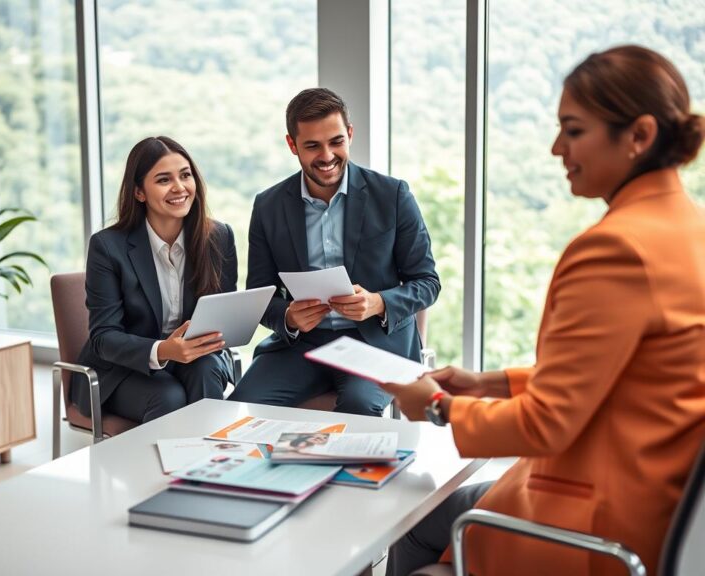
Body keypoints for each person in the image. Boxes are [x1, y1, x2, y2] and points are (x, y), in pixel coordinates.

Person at [380, 45, 705, 576]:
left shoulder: (616, 248)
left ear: (639, 136)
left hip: (596, 527)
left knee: (410, 521)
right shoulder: (691, 229)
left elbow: (547, 424)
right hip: (656, 507)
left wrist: (438, 407)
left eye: (573, 131)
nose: (557, 148)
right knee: (429, 516)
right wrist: (487, 384)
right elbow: (619, 374)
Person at [229, 88, 440, 416]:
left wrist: (378, 302)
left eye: (336, 141)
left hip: (374, 344)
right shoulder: (268, 206)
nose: (327, 156)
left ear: (350, 134)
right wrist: (288, 316)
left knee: (359, 406)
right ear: (292, 145)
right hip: (300, 346)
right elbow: (260, 295)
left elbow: (427, 282)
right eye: (312, 145)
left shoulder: (393, 195)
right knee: (240, 407)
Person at [71, 136, 237, 424]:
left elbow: (225, 316)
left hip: (196, 359)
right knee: (168, 395)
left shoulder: (218, 237)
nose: (179, 187)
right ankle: (167, 457)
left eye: (185, 175)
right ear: (139, 192)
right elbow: (104, 337)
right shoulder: (107, 247)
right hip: (122, 370)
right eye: (164, 180)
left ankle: (211, 452)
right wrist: (162, 350)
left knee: (206, 370)